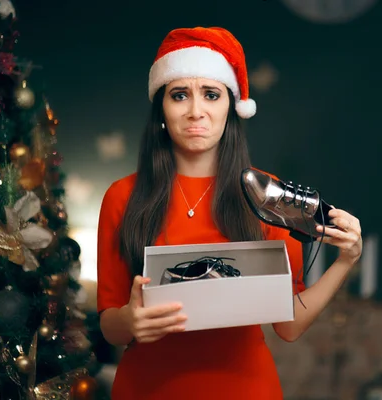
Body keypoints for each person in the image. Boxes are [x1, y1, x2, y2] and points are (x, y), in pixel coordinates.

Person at [97, 26, 363, 399]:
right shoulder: (122, 196)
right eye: (179, 96)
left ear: (230, 107)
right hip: (147, 389)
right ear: (162, 108)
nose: (195, 111)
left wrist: (347, 260)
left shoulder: (268, 193)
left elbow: (289, 326)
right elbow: (110, 323)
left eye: (211, 94)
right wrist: (130, 319)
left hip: (245, 388)